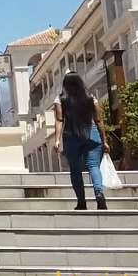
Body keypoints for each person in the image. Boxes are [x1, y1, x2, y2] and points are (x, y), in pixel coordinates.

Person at [53, 72, 107, 210]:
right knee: (94, 166)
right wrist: (104, 140)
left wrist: (57, 140)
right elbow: (98, 120)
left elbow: (59, 120)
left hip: (71, 136)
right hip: (92, 134)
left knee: (75, 170)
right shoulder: (90, 98)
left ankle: (81, 202)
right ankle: (99, 194)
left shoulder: (61, 99)